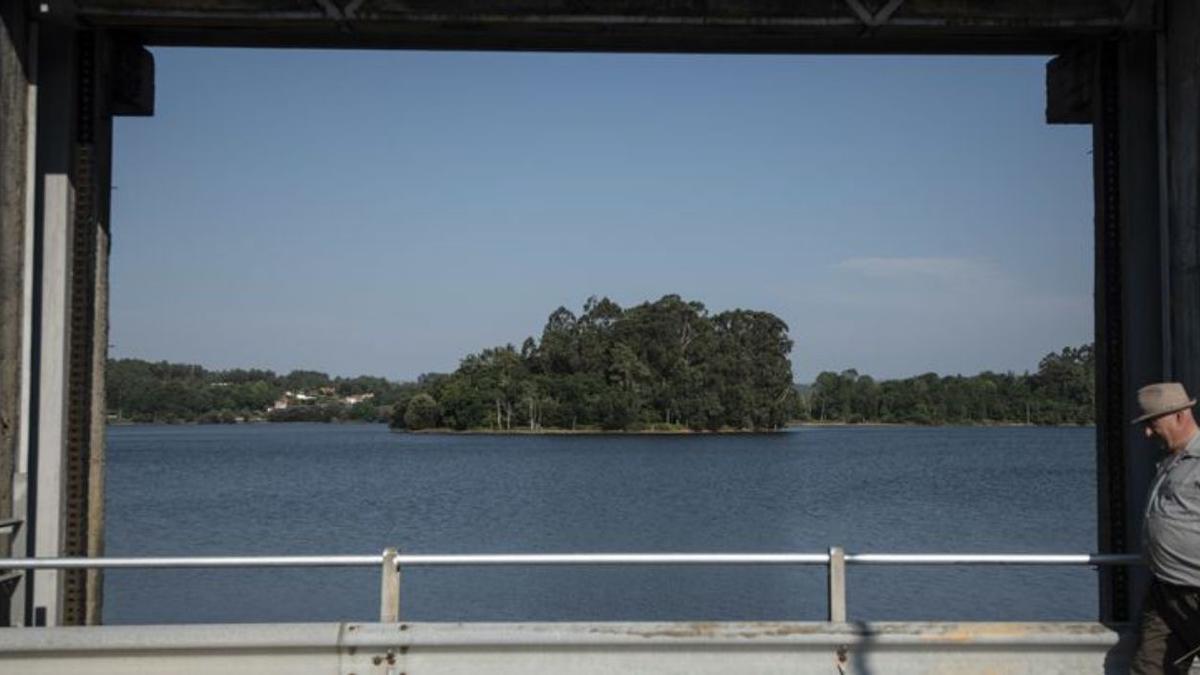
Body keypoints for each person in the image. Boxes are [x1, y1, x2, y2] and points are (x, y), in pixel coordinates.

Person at [1131, 382, 1200, 674]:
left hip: (1196, 589)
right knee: (1150, 667)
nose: (1148, 433)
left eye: (1153, 423)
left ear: (1180, 416)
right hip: (1165, 588)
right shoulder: (1172, 460)